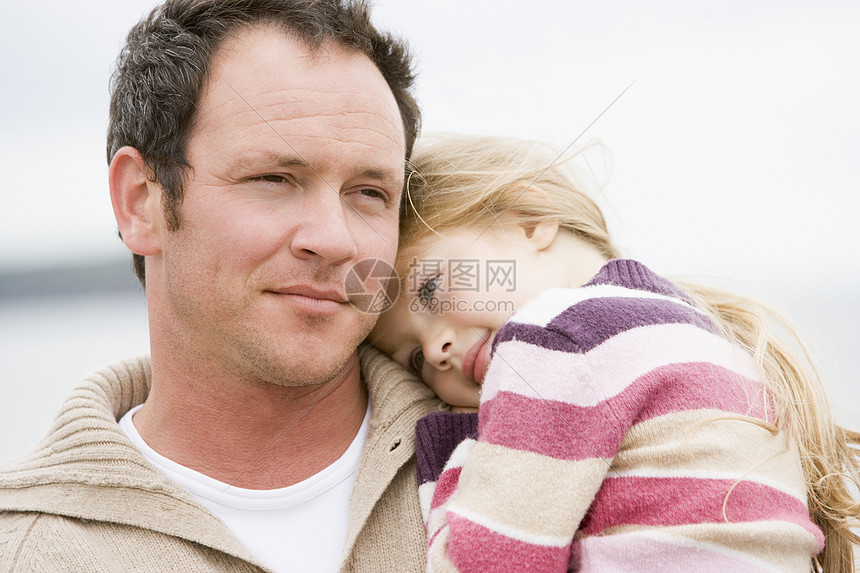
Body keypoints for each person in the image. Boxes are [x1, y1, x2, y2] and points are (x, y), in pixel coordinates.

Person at [0, 1, 446, 571]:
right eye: (273, 179)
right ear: (141, 201)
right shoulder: (24, 551)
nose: (334, 240)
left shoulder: (519, 453)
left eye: (368, 193)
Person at [371, 134, 860, 572]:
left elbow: (491, 561)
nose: (436, 349)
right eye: (412, 358)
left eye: (431, 288)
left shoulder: (556, 339)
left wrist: (455, 457)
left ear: (528, 221)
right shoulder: (698, 333)